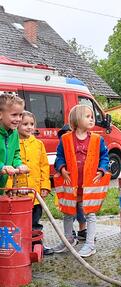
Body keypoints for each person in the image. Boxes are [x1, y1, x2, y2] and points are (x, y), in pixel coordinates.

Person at [53, 104, 110, 257]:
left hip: (89, 186)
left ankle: (90, 244)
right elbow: (59, 157)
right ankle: (69, 240)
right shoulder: (65, 139)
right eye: (88, 116)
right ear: (77, 120)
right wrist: (62, 168)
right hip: (71, 185)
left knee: (90, 214)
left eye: (92, 116)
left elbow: (104, 157)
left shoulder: (98, 140)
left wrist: (101, 170)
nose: (92, 119)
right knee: (68, 212)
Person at [7, 111, 53, 255]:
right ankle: (20, 247)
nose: (29, 127)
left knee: (35, 222)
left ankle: (37, 246)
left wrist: (45, 185)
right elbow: (9, 164)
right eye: (25, 124)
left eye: (31, 124)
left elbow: (44, 166)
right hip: (17, 194)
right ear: (17, 125)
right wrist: (9, 188)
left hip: (35, 194)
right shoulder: (12, 143)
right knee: (18, 222)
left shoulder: (38, 144)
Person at [57, 124, 87, 241]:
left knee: (81, 209)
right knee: (69, 211)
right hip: (69, 188)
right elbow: (58, 161)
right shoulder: (62, 148)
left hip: (81, 186)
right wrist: (62, 168)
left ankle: (82, 230)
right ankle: (70, 233)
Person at [0, 94, 29, 189]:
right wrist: (2, 167)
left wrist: (18, 164)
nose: (18, 119)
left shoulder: (14, 133)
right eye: (14, 115)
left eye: (20, 115)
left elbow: (16, 153)